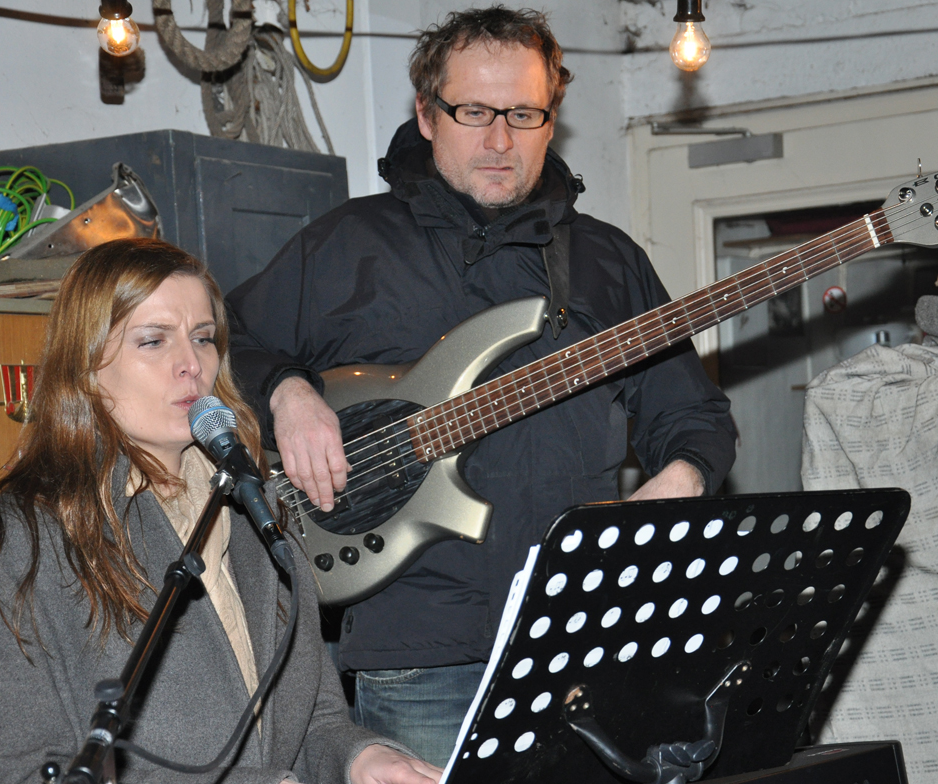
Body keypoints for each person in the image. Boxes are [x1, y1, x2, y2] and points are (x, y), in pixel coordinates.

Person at [226, 6, 738, 766]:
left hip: (583, 638)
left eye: (524, 114)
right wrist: (286, 395)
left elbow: (694, 414)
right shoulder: (345, 246)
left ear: (551, 119)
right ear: (426, 115)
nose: (500, 141)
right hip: (421, 659)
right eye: (474, 112)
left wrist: (680, 480)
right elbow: (225, 340)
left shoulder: (606, 262)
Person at [0, 238, 442, 783]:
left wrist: (359, 757)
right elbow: (7, 771)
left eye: (203, 338)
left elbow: (313, 720)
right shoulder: (11, 544)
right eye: (153, 340)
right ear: (86, 366)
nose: (191, 364)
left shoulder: (256, 505)